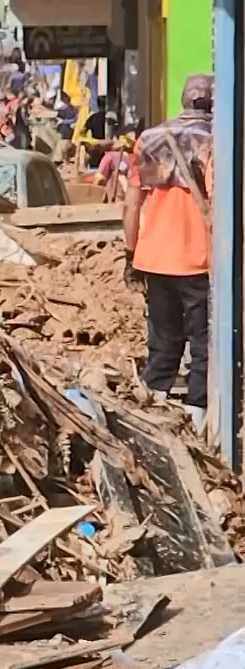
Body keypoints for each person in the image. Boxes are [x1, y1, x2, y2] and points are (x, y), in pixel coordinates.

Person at [125, 74, 215, 427]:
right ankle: (198, 420)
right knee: (204, 345)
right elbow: (220, 203)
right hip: (199, 261)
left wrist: (129, 254)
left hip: (154, 259)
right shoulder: (214, 141)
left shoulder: (150, 139)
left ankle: (148, 417)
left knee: (162, 344)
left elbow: (132, 204)